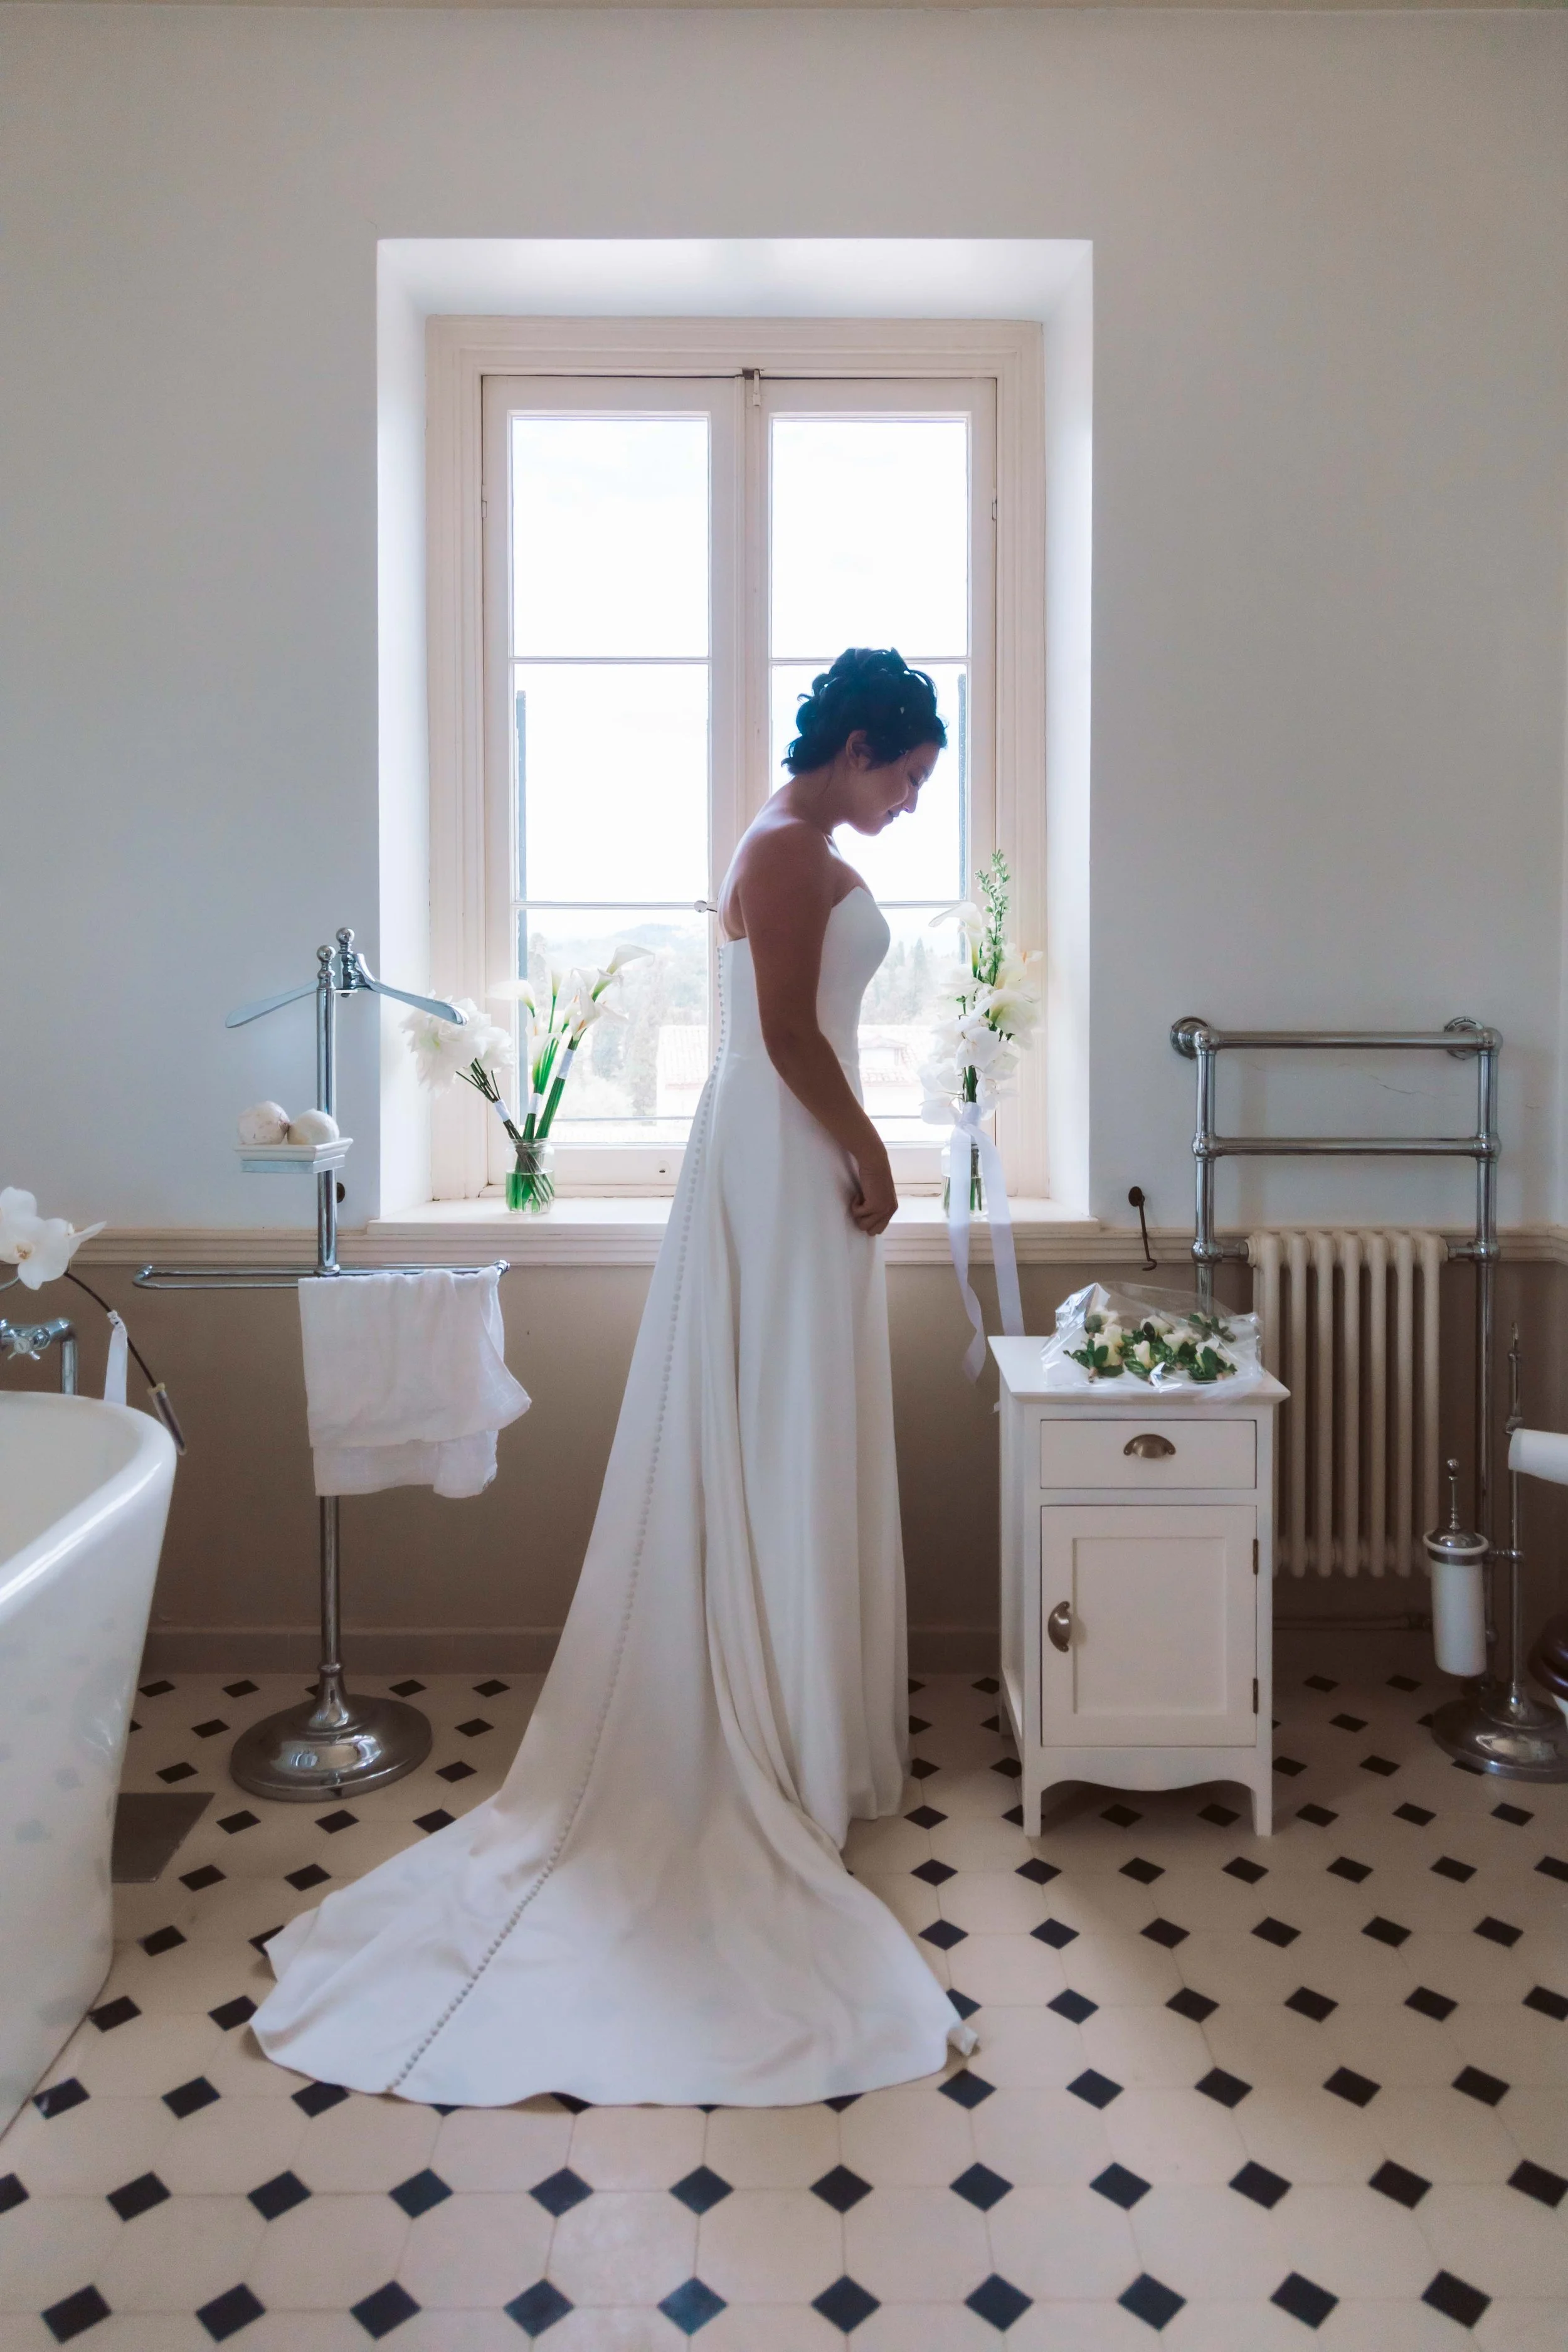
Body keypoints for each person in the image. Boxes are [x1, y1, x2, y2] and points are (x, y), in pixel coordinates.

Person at [252, 647, 975, 2107]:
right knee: (773, 1417)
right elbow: (780, 1036)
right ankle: (760, 1730)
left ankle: (803, 1725)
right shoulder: (781, 849)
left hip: (792, 1158)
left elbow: (796, 1031)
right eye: (903, 777)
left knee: (801, 1426)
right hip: (781, 1159)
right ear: (852, 744)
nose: (907, 807)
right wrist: (872, 1146)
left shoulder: (796, 842)